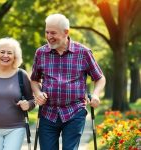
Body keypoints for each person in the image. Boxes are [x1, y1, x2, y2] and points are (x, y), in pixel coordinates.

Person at [30, 13, 106, 150]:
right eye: (47, 32)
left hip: (74, 111)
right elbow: (34, 79)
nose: (49, 36)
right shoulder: (41, 53)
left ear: (66, 32)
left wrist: (95, 94)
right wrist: (37, 93)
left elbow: (99, 78)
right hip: (48, 112)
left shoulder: (83, 52)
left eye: (53, 33)